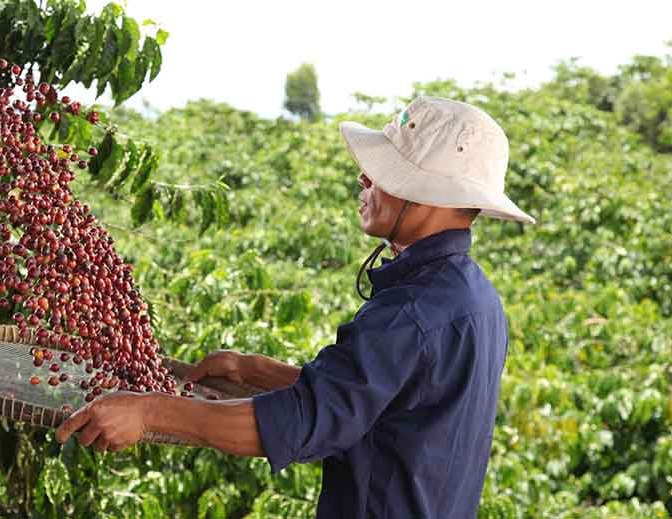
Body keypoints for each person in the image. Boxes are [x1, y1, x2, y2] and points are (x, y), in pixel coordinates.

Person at [56, 96, 536, 518]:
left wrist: (151, 413)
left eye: (386, 174)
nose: (365, 177)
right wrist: (254, 370)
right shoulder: (474, 298)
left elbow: (305, 422)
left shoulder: (411, 313)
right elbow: (377, 399)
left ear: (432, 196)